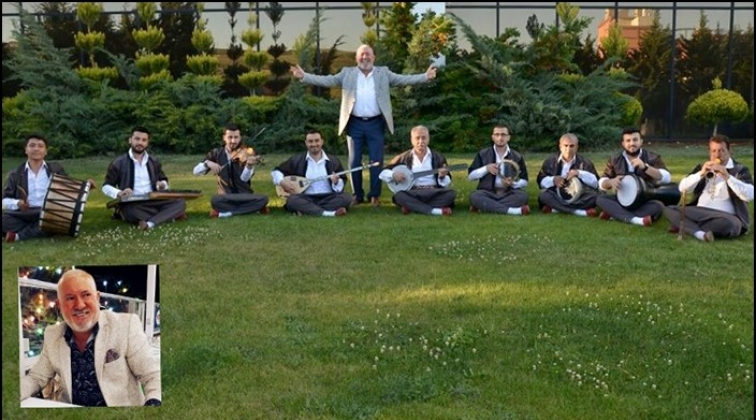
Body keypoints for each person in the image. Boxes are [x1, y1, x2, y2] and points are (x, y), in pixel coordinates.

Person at [290, 44, 437, 207]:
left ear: (373, 57)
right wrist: (304, 76)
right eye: (361, 54)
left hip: (376, 123)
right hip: (354, 123)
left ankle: (374, 195)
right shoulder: (347, 73)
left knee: (376, 161)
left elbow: (404, 79)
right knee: (354, 162)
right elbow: (327, 80)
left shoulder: (383, 73)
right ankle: (357, 195)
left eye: (368, 54)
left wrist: (425, 76)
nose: (365, 57)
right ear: (356, 58)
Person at [20, 268, 161, 407]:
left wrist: (153, 405)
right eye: (70, 298)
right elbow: (36, 378)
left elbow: (153, 376)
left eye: (86, 295)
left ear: (97, 297)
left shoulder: (126, 326)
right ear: (60, 305)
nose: (79, 305)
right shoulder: (53, 335)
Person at [663, 134, 753, 242]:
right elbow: (683, 188)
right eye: (713, 151)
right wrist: (700, 174)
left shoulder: (739, 169)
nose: (717, 155)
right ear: (709, 152)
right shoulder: (702, 167)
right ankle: (699, 234)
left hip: (725, 216)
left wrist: (727, 176)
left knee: (732, 225)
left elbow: (750, 195)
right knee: (669, 209)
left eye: (721, 150)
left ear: (729, 151)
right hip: (700, 212)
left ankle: (685, 225)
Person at [102, 126, 187, 230]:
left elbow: (163, 180)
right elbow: (106, 186)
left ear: (147, 143)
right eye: (137, 139)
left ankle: (150, 223)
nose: (140, 143)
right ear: (130, 140)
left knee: (180, 202)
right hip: (133, 203)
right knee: (130, 211)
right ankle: (168, 215)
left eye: (144, 140)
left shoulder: (154, 161)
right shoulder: (118, 163)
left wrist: (162, 185)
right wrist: (119, 193)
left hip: (154, 199)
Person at [596, 127, 673, 226]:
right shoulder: (614, 159)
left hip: (644, 201)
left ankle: (615, 214)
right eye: (628, 140)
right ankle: (636, 220)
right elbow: (602, 182)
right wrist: (611, 182)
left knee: (658, 206)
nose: (632, 143)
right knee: (600, 199)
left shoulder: (653, 157)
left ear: (641, 141)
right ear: (623, 143)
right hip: (621, 200)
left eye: (635, 140)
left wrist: (645, 167)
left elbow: (666, 177)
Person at [193, 123, 269, 218]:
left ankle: (226, 213)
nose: (233, 141)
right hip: (225, 197)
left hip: (243, 196)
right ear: (224, 138)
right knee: (215, 200)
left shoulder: (246, 153)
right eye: (230, 137)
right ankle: (249, 209)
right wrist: (207, 163)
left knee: (263, 199)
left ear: (240, 138)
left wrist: (249, 166)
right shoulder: (216, 153)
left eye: (236, 137)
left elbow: (244, 179)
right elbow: (195, 171)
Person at [2, 134, 68, 242]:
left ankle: (18, 236)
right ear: (26, 150)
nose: (36, 149)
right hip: (23, 214)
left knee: (58, 220)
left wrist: (86, 188)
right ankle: (39, 229)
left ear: (45, 151)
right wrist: (18, 203)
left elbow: (68, 191)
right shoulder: (15, 173)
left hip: (48, 213)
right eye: (32, 145)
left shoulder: (56, 169)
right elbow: (4, 200)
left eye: (40, 146)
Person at [271, 129, 351, 217]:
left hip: (328, 197)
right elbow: (276, 171)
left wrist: (336, 182)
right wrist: (282, 181)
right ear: (306, 143)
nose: (314, 144)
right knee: (292, 200)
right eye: (310, 141)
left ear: (322, 142)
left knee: (346, 198)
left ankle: (306, 209)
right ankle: (329, 213)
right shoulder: (297, 160)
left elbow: (340, 184)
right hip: (306, 197)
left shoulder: (333, 161)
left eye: (317, 141)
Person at [379, 125, 456, 216]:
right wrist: (393, 175)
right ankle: (436, 211)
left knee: (451, 194)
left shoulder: (438, 156)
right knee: (399, 196)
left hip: (433, 191)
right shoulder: (403, 157)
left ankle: (412, 207)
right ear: (411, 140)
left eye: (424, 138)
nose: (421, 141)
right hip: (412, 192)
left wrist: (442, 176)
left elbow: (446, 182)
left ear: (428, 139)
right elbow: (383, 173)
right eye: (417, 138)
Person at [467, 124, 530, 215]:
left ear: (508, 137)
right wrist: (486, 168)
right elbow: (470, 176)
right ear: (493, 137)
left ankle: (485, 206)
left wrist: (513, 183)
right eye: (497, 134)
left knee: (523, 196)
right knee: (474, 196)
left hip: (508, 192)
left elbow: (525, 180)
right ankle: (513, 211)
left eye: (503, 134)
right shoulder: (483, 154)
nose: (500, 138)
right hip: (487, 192)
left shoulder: (517, 156)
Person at [536, 133, 600, 217]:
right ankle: (579, 212)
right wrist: (553, 180)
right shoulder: (550, 161)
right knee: (544, 195)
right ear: (560, 147)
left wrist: (579, 173)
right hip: (556, 195)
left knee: (596, 197)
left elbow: (596, 183)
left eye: (572, 146)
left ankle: (556, 209)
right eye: (565, 146)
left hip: (579, 197)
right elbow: (540, 182)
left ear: (577, 147)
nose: (568, 149)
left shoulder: (585, 162)